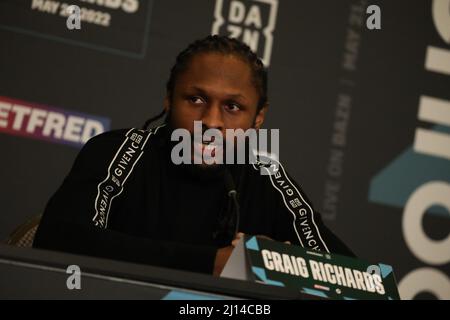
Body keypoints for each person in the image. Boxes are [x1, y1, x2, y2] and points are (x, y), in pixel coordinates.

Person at [33, 35, 354, 276]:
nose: (211, 122)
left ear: (258, 118)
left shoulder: (266, 178)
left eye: (233, 107)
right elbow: (60, 239)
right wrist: (211, 264)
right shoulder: (119, 151)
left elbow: (355, 279)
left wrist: (283, 266)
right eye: (196, 99)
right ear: (169, 100)